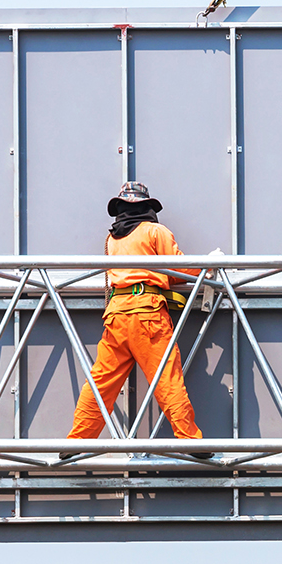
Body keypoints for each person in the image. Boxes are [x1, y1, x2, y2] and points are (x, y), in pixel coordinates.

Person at [64, 181, 207, 452]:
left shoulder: (113, 239)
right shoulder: (155, 231)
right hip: (147, 313)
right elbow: (180, 268)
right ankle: (190, 442)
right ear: (147, 207)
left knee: (100, 383)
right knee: (167, 379)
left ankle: (77, 442)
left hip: (116, 315)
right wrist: (208, 267)